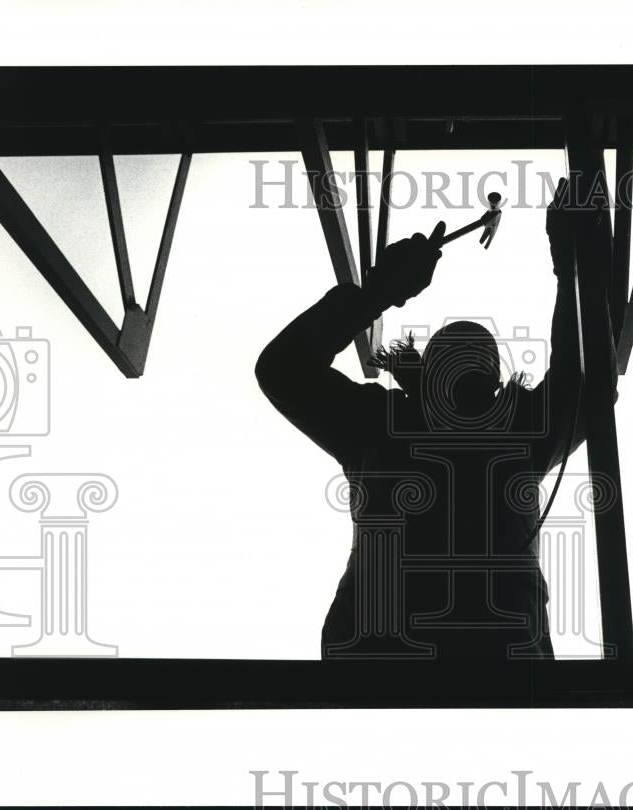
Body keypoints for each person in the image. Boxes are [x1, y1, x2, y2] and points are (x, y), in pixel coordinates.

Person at [255, 179, 602, 660]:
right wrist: (572, 272)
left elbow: (283, 370)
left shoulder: (377, 424)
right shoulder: (521, 434)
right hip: (504, 665)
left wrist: (380, 292)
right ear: (497, 385)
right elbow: (586, 385)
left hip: (376, 662)